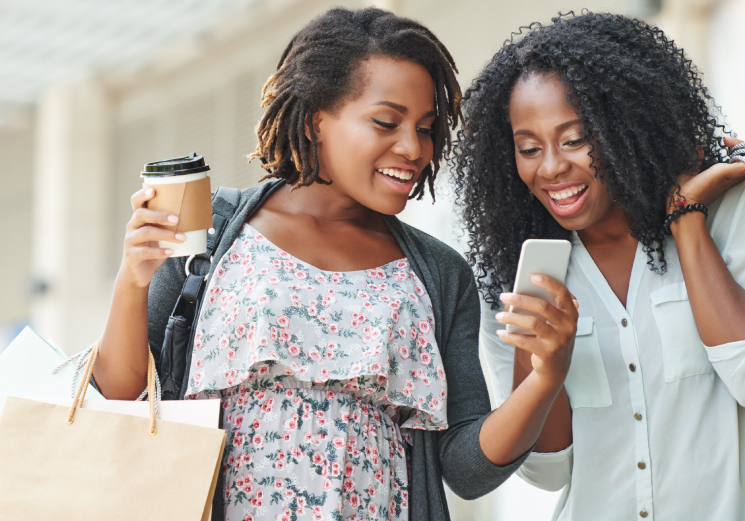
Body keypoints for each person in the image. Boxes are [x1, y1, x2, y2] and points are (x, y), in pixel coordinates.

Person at [93, 8, 571, 521]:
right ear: (317, 118)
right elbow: (120, 395)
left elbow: (466, 470)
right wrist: (132, 280)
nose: (413, 148)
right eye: (386, 122)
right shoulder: (211, 228)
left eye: (427, 128)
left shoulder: (440, 274)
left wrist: (543, 380)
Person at [452, 12, 745, 521]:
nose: (550, 167)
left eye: (575, 140)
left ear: (624, 127)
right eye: (529, 148)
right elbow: (549, 472)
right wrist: (543, 370)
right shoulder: (509, 278)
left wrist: (686, 221)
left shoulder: (727, 210)